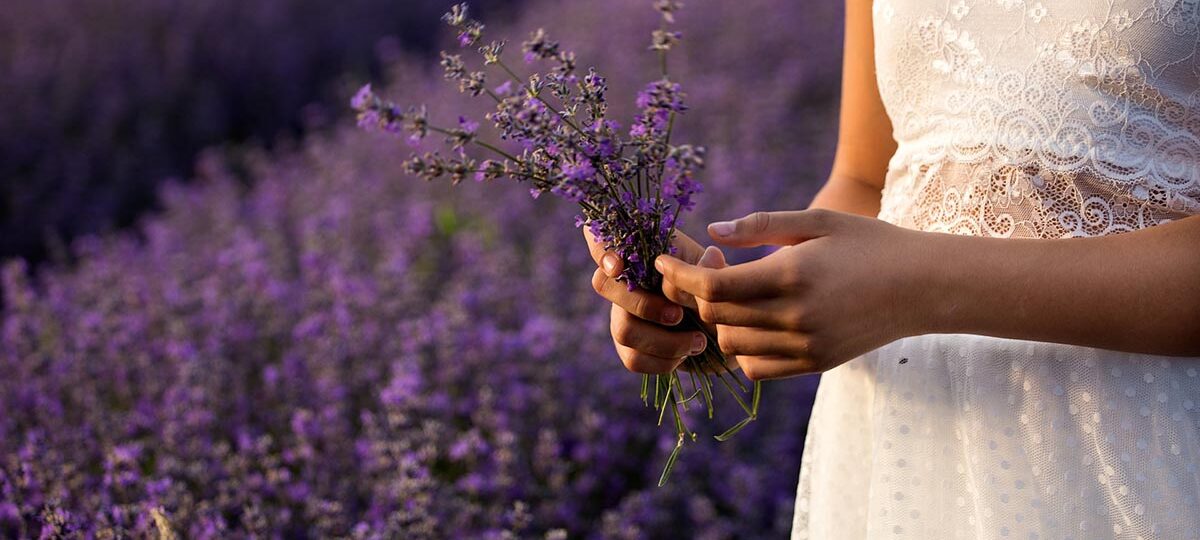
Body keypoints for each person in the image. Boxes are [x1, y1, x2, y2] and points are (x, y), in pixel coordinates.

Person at [585, 0, 1200, 537]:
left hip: (1138, 437)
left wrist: (914, 288)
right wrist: (738, 303)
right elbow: (866, 177)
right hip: (906, 443)